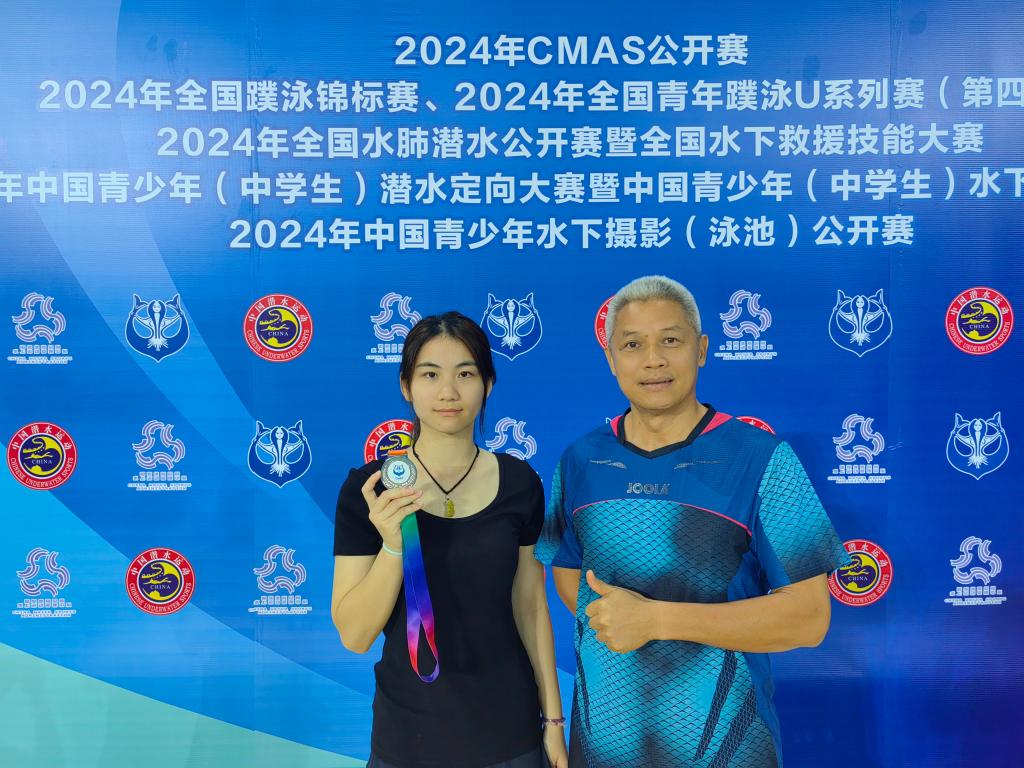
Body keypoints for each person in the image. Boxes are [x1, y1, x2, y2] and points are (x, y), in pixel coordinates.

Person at [536, 276, 850, 768]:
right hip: (606, 747)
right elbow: (567, 574)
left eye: (670, 340)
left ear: (701, 349)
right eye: (633, 344)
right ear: (611, 358)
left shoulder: (762, 458)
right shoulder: (580, 460)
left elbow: (809, 618)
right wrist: (620, 625)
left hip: (731, 749)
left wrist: (656, 621)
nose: (653, 360)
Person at [332, 311, 568, 768]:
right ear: (406, 386)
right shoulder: (371, 489)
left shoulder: (520, 483)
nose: (448, 392)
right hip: (408, 738)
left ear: (488, 384)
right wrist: (393, 544)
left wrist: (553, 721)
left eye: (465, 374)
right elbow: (355, 636)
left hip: (509, 731)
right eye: (430, 375)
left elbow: (531, 606)